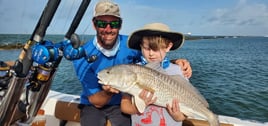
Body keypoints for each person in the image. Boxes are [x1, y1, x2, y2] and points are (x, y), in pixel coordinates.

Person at [72, 1, 191, 126]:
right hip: (94, 105)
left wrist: (175, 62)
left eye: (114, 23)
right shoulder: (81, 55)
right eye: (102, 23)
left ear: (120, 25)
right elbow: (96, 101)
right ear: (94, 24)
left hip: (123, 103)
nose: (108, 29)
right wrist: (108, 91)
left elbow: (152, 61)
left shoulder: (130, 46)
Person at [120, 22, 187, 126]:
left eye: (156, 49)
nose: (151, 53)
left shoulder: (178, 71)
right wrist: (136, 107)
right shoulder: (132, 70)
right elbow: (124, 106)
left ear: (168, 46)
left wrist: (177, 115)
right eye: (146, 48)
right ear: (140, 46)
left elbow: (184, 114)